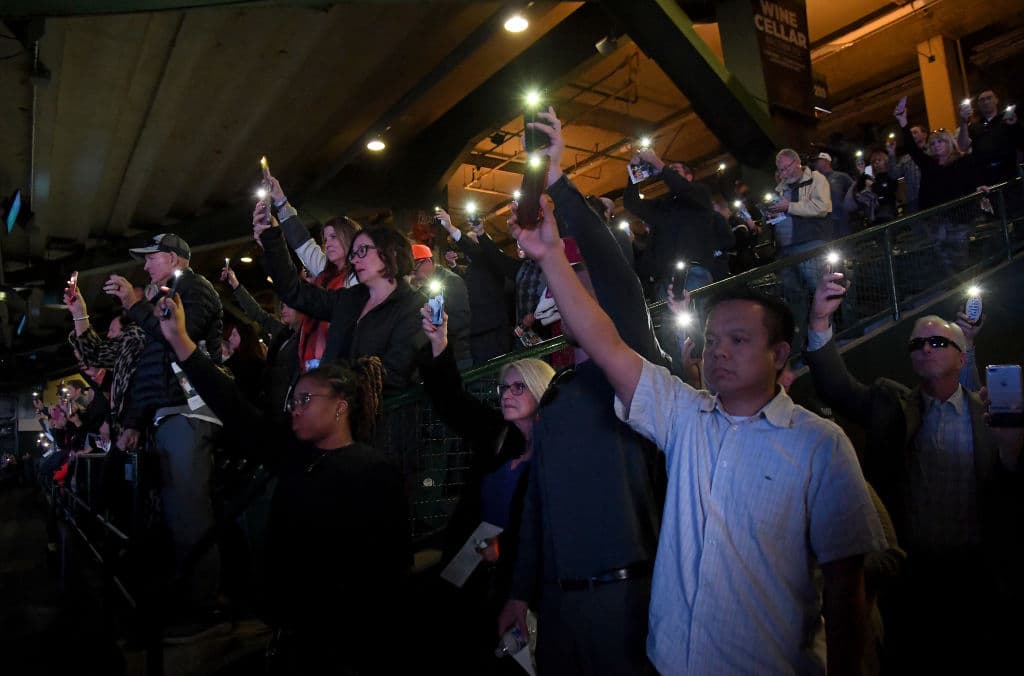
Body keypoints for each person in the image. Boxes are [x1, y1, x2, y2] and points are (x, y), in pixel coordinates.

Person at [509, 133, 886, 673]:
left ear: (780, 354)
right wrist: (548, 255)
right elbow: (605, 339)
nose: (718, 352)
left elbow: (849, 591)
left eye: (738, 340)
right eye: (713, 339)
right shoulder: (684, 417)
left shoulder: (819, 445)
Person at [496, 108, 671, 675]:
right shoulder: (559, 397)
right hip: (560, 610)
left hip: (630, 600)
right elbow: (538, 507)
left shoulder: (637, 378)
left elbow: (615, 280)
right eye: (562, 287)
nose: (566, 296)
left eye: (579, 286)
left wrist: (557, 185)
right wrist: (521, 592)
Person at [154, 291, 409, 674]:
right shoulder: (292, 453)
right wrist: (180, 340)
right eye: (294, 399)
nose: (296, 408)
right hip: (295, 635)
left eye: (306, 399)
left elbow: (388, 570)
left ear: (341, 406)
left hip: (345, 644)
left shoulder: (374, 472)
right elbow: (233, 407)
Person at [804, 272, 1024, 672]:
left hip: (976, 576)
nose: (926, 348)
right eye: (917, 344)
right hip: (910, 575)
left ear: (962, 355)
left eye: (938, 342)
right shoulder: (890, 404)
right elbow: (836, 387)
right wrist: (820, 323)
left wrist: (1013, 447)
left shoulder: (989, 416)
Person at [102, 233, 226, 634]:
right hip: (172, 413)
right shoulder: (171, 293)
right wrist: (136, 422)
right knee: (177, 512)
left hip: (193, 412)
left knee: (190, 512)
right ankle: (191, 598)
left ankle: (204, 607)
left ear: (172, 258)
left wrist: (134, 304)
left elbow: (173, 337)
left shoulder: (197, 289)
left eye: (150, 260)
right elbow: (154, 366)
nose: (145, 267)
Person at [420, 305, 554, 674]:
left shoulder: (559, 455)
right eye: (503, 387)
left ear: (542, 391)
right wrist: (439, 343)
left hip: (524, 582)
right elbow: (451, 401)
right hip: (474, 573)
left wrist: (506, 550)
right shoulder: (497, 434)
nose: (506, 394)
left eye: (518, 387)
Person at [255, 204, 426, 393]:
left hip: (377, 415)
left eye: (362, 250)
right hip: (334, 408)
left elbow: (394, 374)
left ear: (391, 252)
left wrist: (335, 385)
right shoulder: (350, 299)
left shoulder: (414, 305)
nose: (354, 260)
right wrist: (272, 238)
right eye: (353, 254)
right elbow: (296, 293)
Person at [623, 149, 719, 297]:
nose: (668, 173)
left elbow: (682, 187)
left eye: (675, 170)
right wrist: (634, 171)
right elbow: (632, 203)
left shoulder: (699, 194)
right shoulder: (663, 204)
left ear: (689, 176)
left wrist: (656, 161)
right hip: (664, 278)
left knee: (697, 316)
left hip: (692, 272)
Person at [222, 264, 303, 422]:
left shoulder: (307, 335)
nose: (283, 308)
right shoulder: (281, 331)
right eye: (282, 304)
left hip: (292, 403)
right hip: (273, 401)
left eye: (288, 305)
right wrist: (236, 286)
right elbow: (259, 314)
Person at [412, 243, 472, 368]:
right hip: (438, 353)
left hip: (457, 354)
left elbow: (461, 319)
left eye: (415, 267)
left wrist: (432, 327)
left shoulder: (451, 281)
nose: (414, 272)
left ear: (428, 261)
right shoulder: (425, 286)